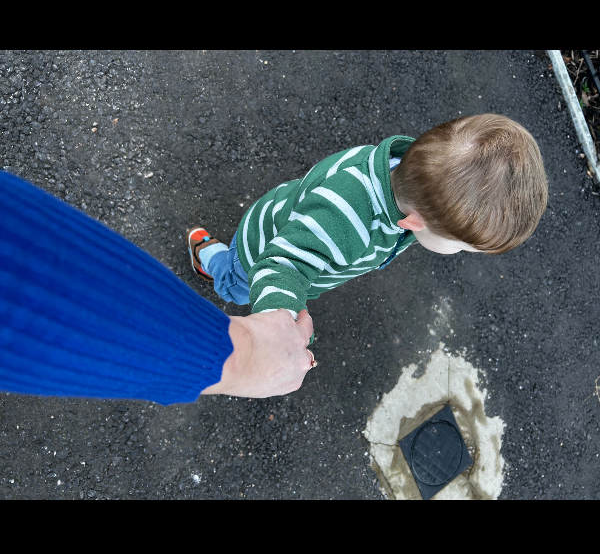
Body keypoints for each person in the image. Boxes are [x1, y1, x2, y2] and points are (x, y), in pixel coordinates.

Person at [188, 114, 548, 325]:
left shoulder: (411, 173)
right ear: (415, 223)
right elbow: (280, 268)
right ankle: (208, 254)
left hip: (294, 221)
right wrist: (283, 323)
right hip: (259, 252)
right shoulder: (346, 221)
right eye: (461, 247)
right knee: (235, 286)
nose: (459, 253)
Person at [0, 170, 315, 405]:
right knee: (234, 276)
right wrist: (243, 354)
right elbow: (20, 283)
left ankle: (207, 256)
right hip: (262, 256)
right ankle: (210, 259)